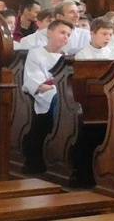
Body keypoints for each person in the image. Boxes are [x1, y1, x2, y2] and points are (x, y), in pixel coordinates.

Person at [21, 19, 72, 172]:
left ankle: (67, 139)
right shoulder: (36, 53)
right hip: (46, 97)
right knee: (60, 99)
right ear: (50, 33)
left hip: (64, 94)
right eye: (62, 32)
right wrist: (53, 86)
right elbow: (37, 84)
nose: (65, 37)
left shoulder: (68, 57)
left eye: (68, 35)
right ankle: (59, 137)